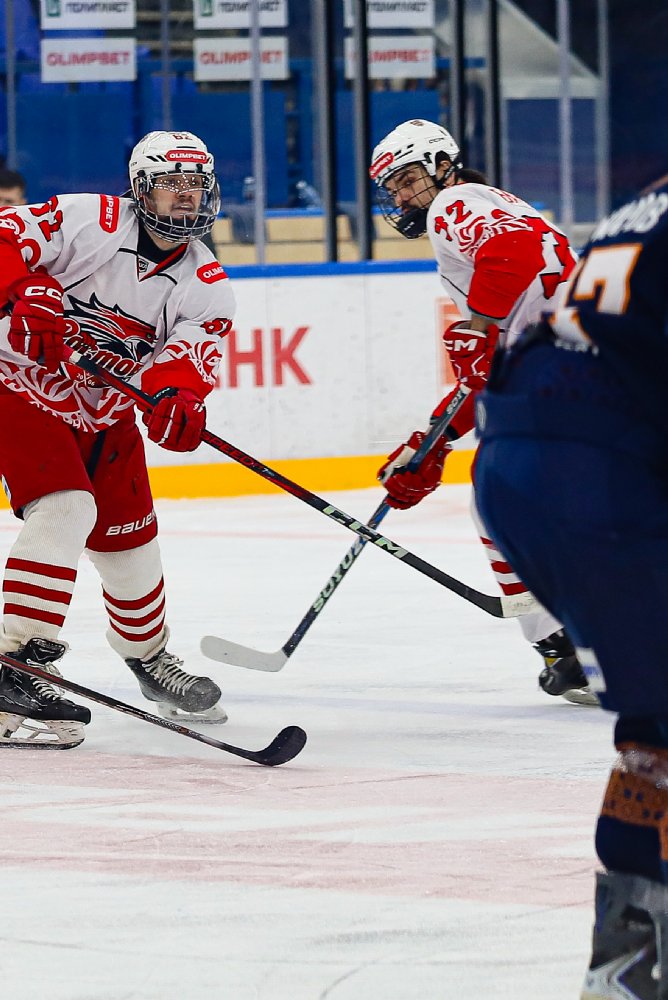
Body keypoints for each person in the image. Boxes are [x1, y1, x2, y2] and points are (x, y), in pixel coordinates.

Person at [0, 130, 234, 749]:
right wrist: (21, 290)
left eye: (196, 185)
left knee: (130, 548)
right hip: (21, 387)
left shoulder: (208, 284)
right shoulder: (89, 221)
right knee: (65, 509)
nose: (185, 196)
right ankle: (23, 671)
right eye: (171, 183)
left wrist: (178, 402)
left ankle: (150, 658)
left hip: (106, 414)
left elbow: (183, 367)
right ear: (141, 190)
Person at [470, 174, 668, 998]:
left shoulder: (649, 198)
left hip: (525, 460)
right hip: (599, 472)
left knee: (654, 735)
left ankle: (630, 967)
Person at [367, 118, 590, 704]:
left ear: (443, 166)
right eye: (393, 188)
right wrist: (432, 441)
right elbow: (489, 371)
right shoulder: (489, 206)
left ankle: (577, 649)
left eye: (408, 180)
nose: (402, 197)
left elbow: (513, 254)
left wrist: (479, 327)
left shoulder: (455, 202)